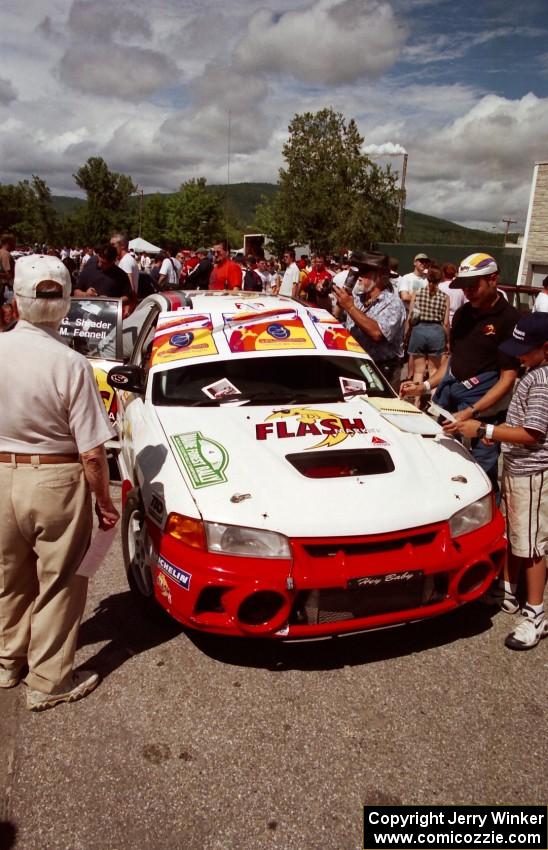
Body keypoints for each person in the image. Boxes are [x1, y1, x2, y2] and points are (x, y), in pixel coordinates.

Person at [0, 254, 119, 709]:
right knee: (61, 580)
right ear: (65, 302)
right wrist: (104, 501)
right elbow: (92, 452)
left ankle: (8, 661)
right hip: (54, 479)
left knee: (9, 577)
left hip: (2, 473)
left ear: (18, 300)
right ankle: (49, 679)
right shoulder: (71, 364)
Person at [448, 313, 548, 650]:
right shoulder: (532, 373)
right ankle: (508, 589)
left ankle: (536, 612)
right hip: (519, 468)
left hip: (532, 472)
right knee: (516, 533)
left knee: (531, 543)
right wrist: (501, 437)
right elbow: (521, 428)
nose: (518, 355)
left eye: (524, 349)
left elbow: (533, 433)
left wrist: (487, 430)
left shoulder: (541, 381)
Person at [401, 253, 519, 494]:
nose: (468, 292)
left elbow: (507, 378)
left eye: (473, 286)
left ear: (493, 279)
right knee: (446, 465)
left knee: (483, 475)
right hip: (452, 408)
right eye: (464, 287)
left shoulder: (510, 320)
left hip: (484, 414)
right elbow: (451, 363)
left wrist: (471, 412)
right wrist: (423, 387)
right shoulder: (464, 314)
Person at [333, 251, 406, 391]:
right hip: (356, 367)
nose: (359, 276)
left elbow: (377, 333)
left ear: (379, 277)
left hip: (382, 371)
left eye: (364, 272)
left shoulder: (393, 303)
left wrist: (350, 307)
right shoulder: (358, 298)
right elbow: (339, 321)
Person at [406, 264, 449, 394]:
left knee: (418, 371)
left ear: (427, 277)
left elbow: (410, 317)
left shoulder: (417, 294)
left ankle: (416, 402)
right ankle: (433, 406)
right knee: (434, 372)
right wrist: (448, 340)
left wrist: (407, 334)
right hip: (436, 332)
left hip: (418, 331)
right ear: (440, 279)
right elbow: (446, 323)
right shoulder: (445, 297)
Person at [74, 243, 133, 310]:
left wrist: (110, 301)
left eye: (107, 264)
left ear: (114, 261)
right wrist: (86, 295)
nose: (103, 265)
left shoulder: (121, 275)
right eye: (102, 262)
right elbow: (76, 292)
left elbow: (128, 298)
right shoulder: (88, 270)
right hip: (86, 313)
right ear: (98, 256)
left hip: (109, 315)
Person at [0, 232, 16, 304]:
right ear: (8, 243)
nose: (14, 245)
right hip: (6, 288)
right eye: (13, 242)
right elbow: (8, 275)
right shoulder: (5, 254)